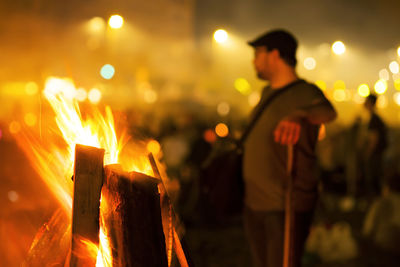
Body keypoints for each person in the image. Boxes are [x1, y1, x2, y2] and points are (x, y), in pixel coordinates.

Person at [242, 29, 337, 267]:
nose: (253, 60)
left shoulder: (306, 92)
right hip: (255, 201)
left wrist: (300, 115)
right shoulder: (266, 92)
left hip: (284, 204)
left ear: (274, 55)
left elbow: (328, 112)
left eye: (257, 53)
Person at [361, 94, 387, 197]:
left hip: (375, 155)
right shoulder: (375, 118)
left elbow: (374, 139)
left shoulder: (374, 120)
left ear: (370, 103)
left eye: (366, 101)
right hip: (378, 154)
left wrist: (367, 153)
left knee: (374, 179)